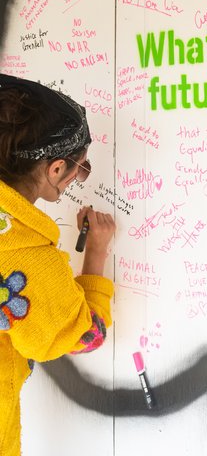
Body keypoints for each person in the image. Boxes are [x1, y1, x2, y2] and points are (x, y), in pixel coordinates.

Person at [0, 73, 116, 455]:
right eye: (79, 169)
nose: (75, 179)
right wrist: (96, 252)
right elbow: (86, 334)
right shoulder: (26, 255)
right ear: (54, 169)